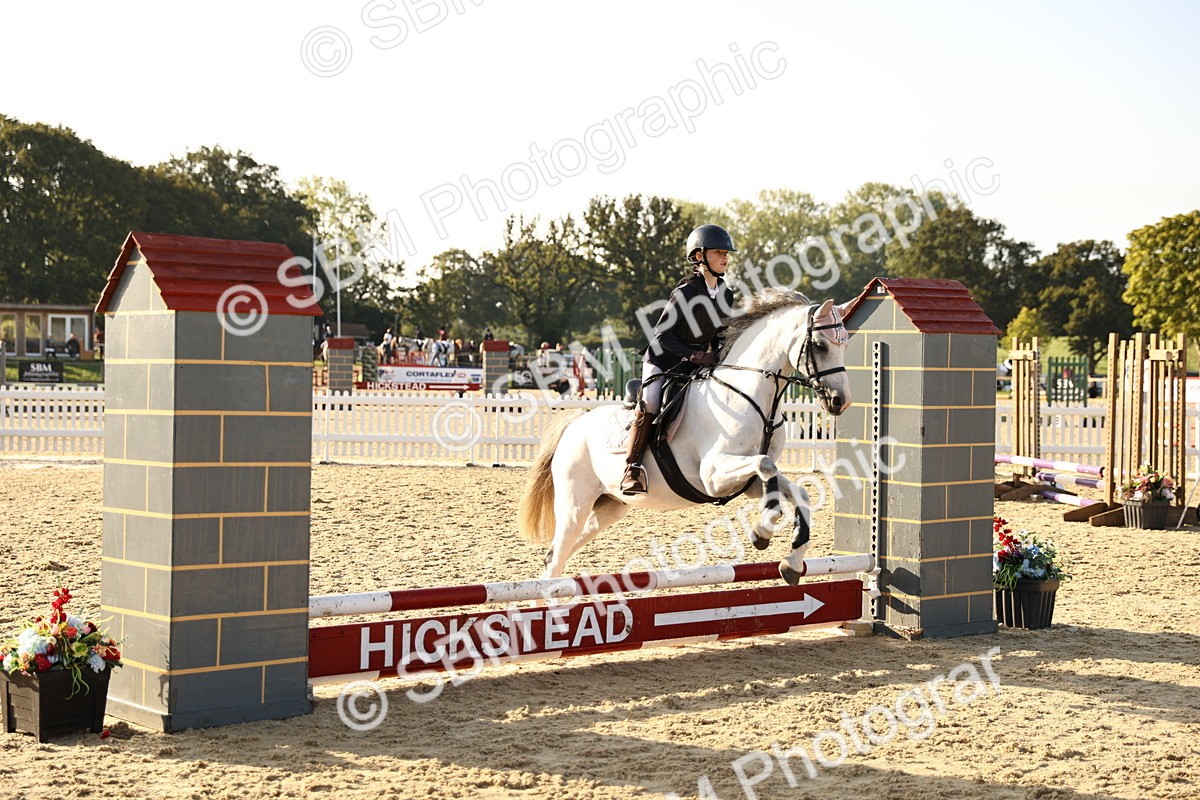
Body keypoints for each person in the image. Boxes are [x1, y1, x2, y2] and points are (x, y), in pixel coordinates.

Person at [622, 224, 736, 495]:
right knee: (651, 400)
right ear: (699, 256)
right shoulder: (686, 291)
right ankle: (632, 469)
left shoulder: (725, 292)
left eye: (726, 253)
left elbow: (721, 332)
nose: (725, 257)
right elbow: (662, 335)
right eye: (719, 252)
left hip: (695, 361)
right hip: (663, 358)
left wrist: (720, 353)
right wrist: (696, 354)